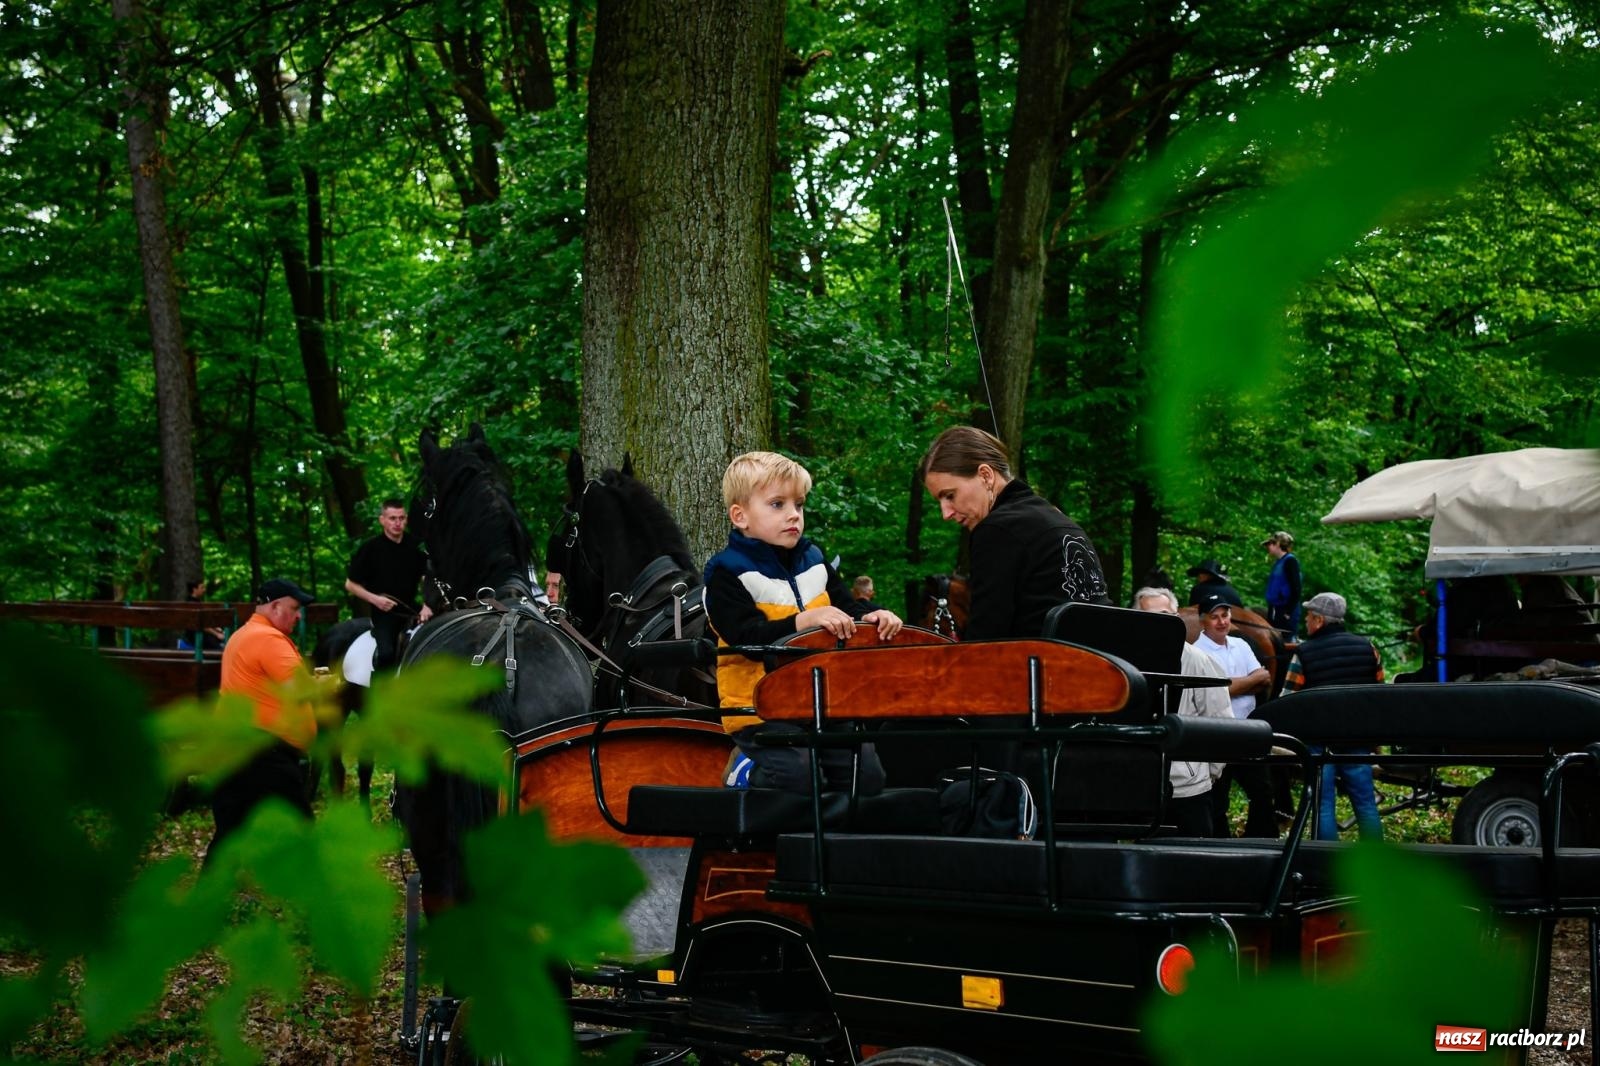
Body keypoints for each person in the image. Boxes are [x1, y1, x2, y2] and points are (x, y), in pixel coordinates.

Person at [704, 451, 903, 792]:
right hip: (759, 709)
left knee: (867, 777)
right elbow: (746, 638)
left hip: (824, 703)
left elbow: (845, 607)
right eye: (777, 505)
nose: (794, 515)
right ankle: (745, 770)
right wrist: (804, 622)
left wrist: (872, 615)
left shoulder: (814, 560)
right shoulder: (726, 572)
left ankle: (836, 841)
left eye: (799, 504)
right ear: (740, 516)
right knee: (799, 777)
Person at [919, 426, 1110, 640]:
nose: (946, 513)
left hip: (1046, 667)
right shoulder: (1062, 522)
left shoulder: (997, 529)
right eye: (940, 501)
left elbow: (986, 640)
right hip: (1102, 663)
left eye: (950, 495)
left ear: (985, 475)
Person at [205, 578, 319, 864]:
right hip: (264, 755)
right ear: (275, 605)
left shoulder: (244, 634)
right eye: (294, 608)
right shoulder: (268, 639)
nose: (298, 615)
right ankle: (322, 903)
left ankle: (205, 901)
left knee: (229, 835)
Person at [1281, 591, 1384, 841]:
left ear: (1318, 620)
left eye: (1308, 616)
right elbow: (1380, 695)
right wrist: (1376, 742)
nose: (1305, 620)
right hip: (1357, 741)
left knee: (1323, 806)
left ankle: (1326, 865)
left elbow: (1287, 700)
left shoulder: (1304, 654)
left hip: (1319, 743)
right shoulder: (1368, 648)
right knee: (1366, 805)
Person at [1134, 587, 1232, 837]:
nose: (1160, 622)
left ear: (1176, 617)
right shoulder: (1129, 662)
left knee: (1196, 859)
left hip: (1189, 788)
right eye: (1151, 615)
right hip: (1142, 783)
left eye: (1166, 614)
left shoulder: (1199, 661)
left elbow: (1220, 721)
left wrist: (1205, 774)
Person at [1192, 590, 1277, 837]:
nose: (1222, 621)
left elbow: (1265, 678)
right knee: (1218, 795)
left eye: (1225, 615)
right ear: (1203, 621)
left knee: (1262, 790)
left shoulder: (1240, 644)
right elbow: (1215, 692)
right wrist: (1247, 680)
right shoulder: (1198, 652)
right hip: (1216, 734)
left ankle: (1261, 839)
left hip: (1247, 730)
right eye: (1215, 617)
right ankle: (1220, 844)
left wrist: (1230, 685)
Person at [344, 497, 433, 671]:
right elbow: (350, 584)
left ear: (406, 519)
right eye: (392, 518)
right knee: (386, 654)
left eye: (401, 518)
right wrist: (376, 600)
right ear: (382, 520)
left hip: (413, 609)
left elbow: (427, 579)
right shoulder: (370, 549)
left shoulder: (416, 546)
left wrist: (427, 604)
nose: (397, 523)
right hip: (384, 613)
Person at [1262, 531, 1302, 637]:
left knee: (1285, 641)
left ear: (1278, 544)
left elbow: (1296, 587)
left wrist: (1288, 612)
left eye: (1270, 544)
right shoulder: (1278, 562)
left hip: (1286, 610)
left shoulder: (1290, 561)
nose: (1268, 547)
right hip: (1275, 608)